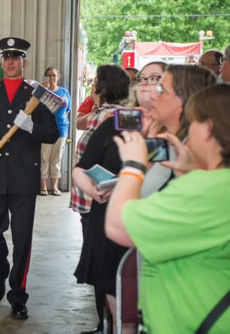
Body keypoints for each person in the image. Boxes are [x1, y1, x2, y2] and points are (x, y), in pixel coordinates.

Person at [105, 84, 230, 333]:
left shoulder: (204, 190)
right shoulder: (215, 185)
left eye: (192, 123)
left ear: (208, 128)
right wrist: (191, 172)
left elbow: (118, 226)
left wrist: (132, 166)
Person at [0, 37, 59, 320]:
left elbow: (53, 133)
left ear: (24, 61)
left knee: (22, 239)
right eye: (6, 57)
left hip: (23, 176)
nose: (10, 62)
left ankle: (18, 295)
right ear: (2, 61)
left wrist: (32, 126)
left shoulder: (38, 93)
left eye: (16, 57)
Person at [69, 64, 130, 334]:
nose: (92, 86)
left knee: (102, 267)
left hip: (98, 200)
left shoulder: (104, 118)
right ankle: (109, 322)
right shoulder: (125, 115)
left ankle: (106, 323)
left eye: (95, 82)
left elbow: (80, 125)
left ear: (103, 87)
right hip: (104, 198)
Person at [39, 67, 71, 196]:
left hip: (61, 128)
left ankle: (55, 187)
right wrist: (42, 90)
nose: (51, 78)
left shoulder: (64, 92)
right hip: (45, 128)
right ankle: (43, 187)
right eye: (49, 75)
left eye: (54, 75)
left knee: (56, 159)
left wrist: (61, 118)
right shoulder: (42, 91)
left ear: (58, 77)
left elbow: (68, 109)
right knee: (44, 158)